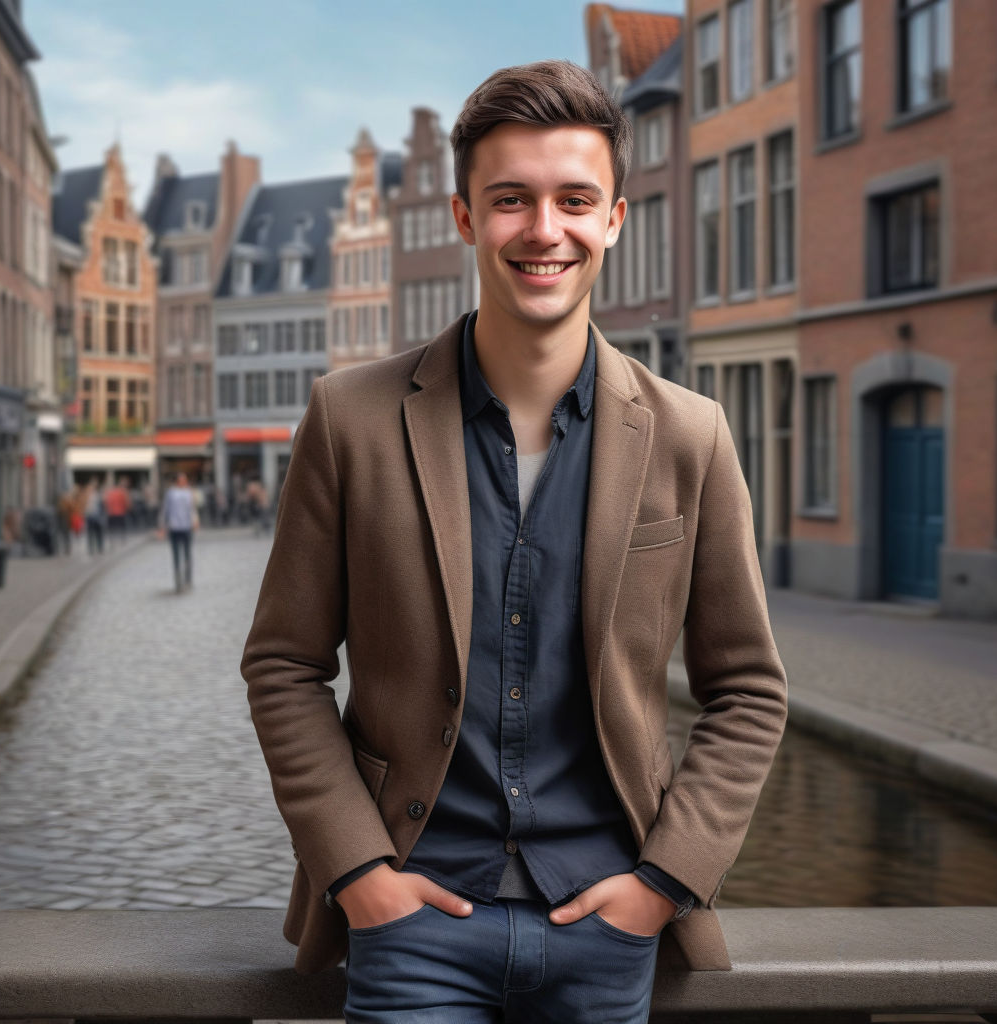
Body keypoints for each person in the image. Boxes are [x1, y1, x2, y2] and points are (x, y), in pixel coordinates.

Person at [242, 60, 787, 1023]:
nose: (545, 230)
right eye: (510, 200)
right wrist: (358, 869)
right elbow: (284, 663)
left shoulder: (691, 434)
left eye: (576, 199)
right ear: (464, 217)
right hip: (411, 923)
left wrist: (663, 881)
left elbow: (747, 689)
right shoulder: (348, 419)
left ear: (614, 219)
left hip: (608, 921)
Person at [159, 472, 196, 593]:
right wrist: (162, 525)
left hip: (186, 526)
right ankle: (178, 581)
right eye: (182, 480)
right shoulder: (170, 493)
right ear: (177, 481)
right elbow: (165, 509)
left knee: (187, 553)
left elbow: (192, 508)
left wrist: (195, 520)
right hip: (174, 527)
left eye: (185, 480)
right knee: (176, 555)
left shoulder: (188, 492)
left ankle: (188, 578)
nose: (184, 482)